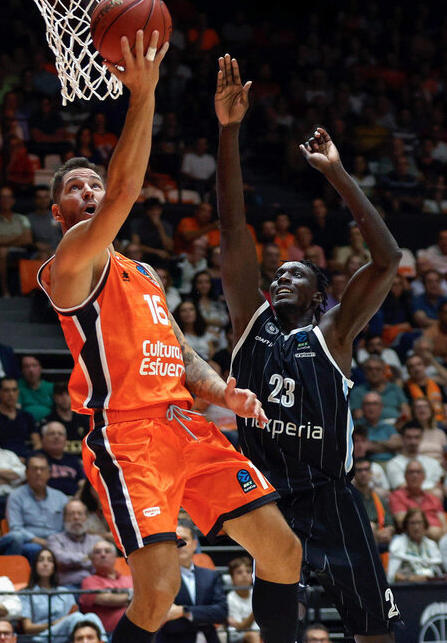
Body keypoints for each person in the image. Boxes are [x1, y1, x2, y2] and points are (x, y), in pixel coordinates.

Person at [38, 34, 301, 643]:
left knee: (283, 552)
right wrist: (145, 93)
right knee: (156, 593)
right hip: (127, 437)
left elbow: (178, 350)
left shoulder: (146, 274)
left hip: (185, 426)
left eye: (93, 186)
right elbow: (127, 190)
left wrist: (222, 393)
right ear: (58, 214)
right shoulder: (71, 263)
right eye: (75, 190)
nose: (90, 192)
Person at [215, 54, 402, 640]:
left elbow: (389, 259)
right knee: (277, 634)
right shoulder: (252, 321)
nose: (281, 276)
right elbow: (230, 227)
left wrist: (338, 175)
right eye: (279, 272)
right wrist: (228, 132)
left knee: (375, 632)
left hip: (331, 498)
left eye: (298, 273)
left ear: (323, 294)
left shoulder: (334, 334)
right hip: (269, 497)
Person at [156, 520, 228, 643]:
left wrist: (183, 611)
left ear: (195, 544)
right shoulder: (159, 577)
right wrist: (204, 613)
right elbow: (162, 615)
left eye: (184, 539)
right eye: (176, 540)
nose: (181, 544)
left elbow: (221, 612)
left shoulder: (211, 575)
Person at [21, 547, 106, 643]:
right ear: (35, 566)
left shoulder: (65, 592)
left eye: (50, 560)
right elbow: (27, 628)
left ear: (54, 566)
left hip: (65, 635)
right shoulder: (26, 593)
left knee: (91, 616)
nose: (45, 564)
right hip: (41, 637)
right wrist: (56, 623)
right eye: (41, 560)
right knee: (76, 617)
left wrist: (65, 622)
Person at [5, 453, 69, 561]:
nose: (38, 473)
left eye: (42, 469)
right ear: (26, 472)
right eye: (34, 469)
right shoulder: (16, 496)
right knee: (34, 549)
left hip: (58, 542)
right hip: (30, 543)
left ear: (49, 473)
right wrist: (38, 540)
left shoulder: (61, 498)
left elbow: (67, 527)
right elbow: (16, 528)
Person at [0, 186, 33, 297]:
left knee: (41, 255)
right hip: (0, 254)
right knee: (2, 251)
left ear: (13, 200)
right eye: (3, 197)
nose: (6, 200)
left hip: (22, 252)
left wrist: (4, 239)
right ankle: (5, 291)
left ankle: (30, 293)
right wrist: (18, 237)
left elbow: (28, 240)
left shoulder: (22, 219)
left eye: (8, 197)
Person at [80, 540, 133, 634]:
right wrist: (132, 596)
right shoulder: (89, 581)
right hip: (110, 634)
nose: (103, 555)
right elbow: (105, 599)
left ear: (115, 556)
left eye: (107, 551)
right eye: (97, 552)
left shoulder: (130, 578)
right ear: (92, 559)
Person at [388, 460, 447, 542]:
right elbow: (402, 522)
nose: (415, 475)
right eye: (411, 472)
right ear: (405, 476)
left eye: (418, 472)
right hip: (411, 540)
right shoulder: (397, 496)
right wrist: (429, 530)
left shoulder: (434, 499)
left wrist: (442, 537)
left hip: (440, 541)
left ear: (424, 476)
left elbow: (444, 525)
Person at [386, 421, 444, 498]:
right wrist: (432, 491)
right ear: (402, 438)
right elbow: (402, 488)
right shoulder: (393, 464)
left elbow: (440, 485)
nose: (413, 442)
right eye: (409, 437)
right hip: (408, 504)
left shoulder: (433, 462)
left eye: (417, 437)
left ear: (422, 438)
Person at [387, 508, 444, 583]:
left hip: (432, 587)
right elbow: (392, 576)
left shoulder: (431, 545)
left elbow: (440, 574)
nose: (416, 527)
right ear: (406, 525)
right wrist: (409, 579)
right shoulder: (398, 544)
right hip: (407, 588)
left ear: (425, 525)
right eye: (412, 523)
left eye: (419, 522)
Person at [0, 377, 40, 458]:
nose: (11, 394)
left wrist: (29, 458)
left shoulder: (27, 416)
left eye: (14, 390)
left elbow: (37, 444)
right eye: (6, 390)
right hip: (0, 459)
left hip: (25, 459)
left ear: (18, 392)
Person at [41, 382, 88, 457]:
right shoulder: (49, 421)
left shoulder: (84, 420)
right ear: (55, 398)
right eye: (61, 395)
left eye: (68, 394)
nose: (65, 398)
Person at [39, 421, 84, 496]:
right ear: (43, 438)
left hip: (72, 501)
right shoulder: (36, 458)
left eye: (60, 434)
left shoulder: (74, 460)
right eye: (52, 433)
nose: (56, 437)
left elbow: (81, 483)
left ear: (65, 439)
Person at [226, 556, 260, 643]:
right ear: (232, 578)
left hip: (260, 633)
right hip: (237, 636)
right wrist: (257, 609)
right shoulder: (230, 599)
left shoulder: (256, 594)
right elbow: (241, 627)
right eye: (239, 572)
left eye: (248, 572)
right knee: (252, 636)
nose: (244, 575)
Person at [18, 356, 54, 423]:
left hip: (50, 424)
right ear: (22, 370)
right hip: (26, 424)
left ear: (40, 368)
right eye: (27, 366)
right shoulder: (17, 387)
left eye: (34, 366)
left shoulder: (51, 387)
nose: (31, 370)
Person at [410, 397, 447, 462]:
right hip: (419, 468)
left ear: (431, 411)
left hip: (440, 467)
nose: (422, 409)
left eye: (426, 406)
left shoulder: (440, 433)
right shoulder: (410, 433)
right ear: (413, 412)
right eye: (418, 407)